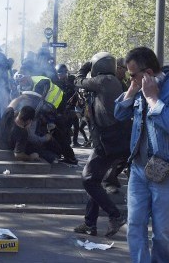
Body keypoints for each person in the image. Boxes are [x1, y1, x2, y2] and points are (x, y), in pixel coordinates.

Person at [114, 47, 169, 263]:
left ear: (147, 72)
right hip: (139, 169)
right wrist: (132, 89)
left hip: (168, 173)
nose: (131, 78)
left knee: (162, 234)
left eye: (133, 74)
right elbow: (119, 114)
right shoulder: (138, 86)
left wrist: (153, 99)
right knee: (134, 226)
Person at [73, 52, 130, 237]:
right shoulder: (112, 81)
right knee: (94, 180)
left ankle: (115, 215)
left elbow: (78, 81)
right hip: (110, 139)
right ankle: (90, 223)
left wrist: (86, 65)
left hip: (109, 141)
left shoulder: (104, 80)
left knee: (88, 179)